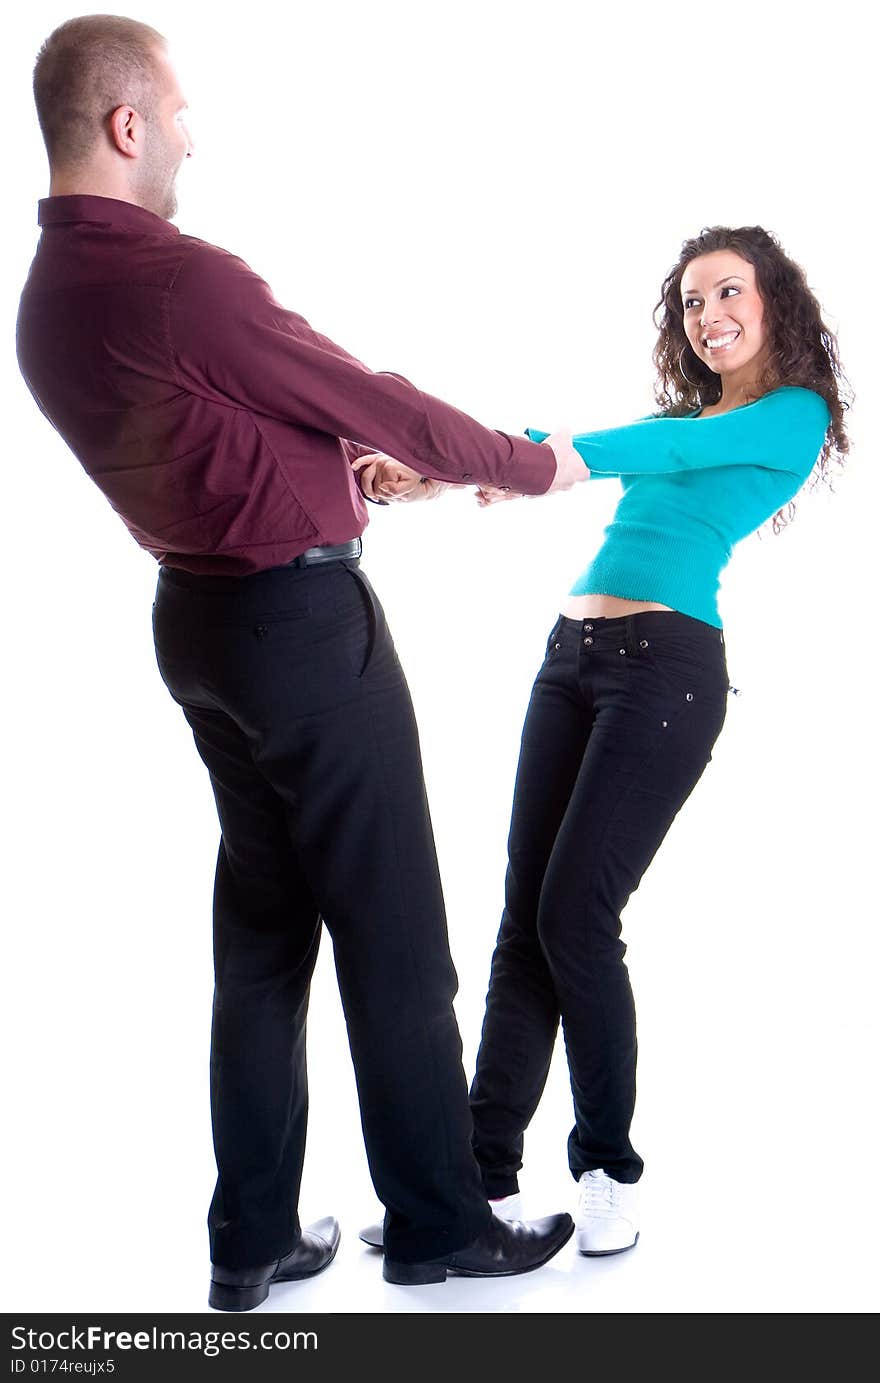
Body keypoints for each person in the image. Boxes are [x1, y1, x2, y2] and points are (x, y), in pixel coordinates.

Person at [15, 15, 581, 1310]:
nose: (195, 135)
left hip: (201, 631)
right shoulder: (181, 279)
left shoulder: (49, 304)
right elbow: (365, 396)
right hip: (303, 638)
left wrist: (341, 476)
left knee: (263, 943)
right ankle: (440, 1222)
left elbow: (215, 443)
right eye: (183, 110)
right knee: (395, 940)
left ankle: (250, 1240)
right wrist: (527, 461)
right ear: (127, 125)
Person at [357, 224, 850, 1258]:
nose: (706, 315)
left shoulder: (788, 417)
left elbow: (647, 452)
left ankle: (606, 1171)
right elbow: (577, 444)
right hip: (569, 661)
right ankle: (478, 1187)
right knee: (521, 923)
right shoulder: (687, 417)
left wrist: (556, 462)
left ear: (774, 306)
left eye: (727, 294)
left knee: (574, 917)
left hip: (665, 677)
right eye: (688, 303)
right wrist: (437, 472)